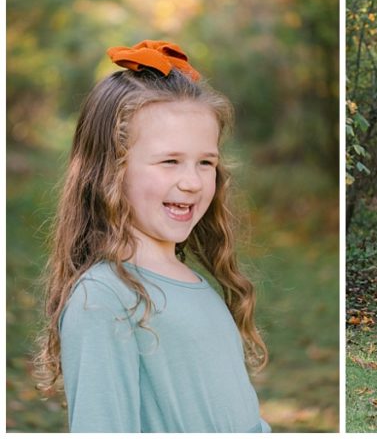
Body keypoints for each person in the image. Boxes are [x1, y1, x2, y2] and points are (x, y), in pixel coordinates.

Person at [33, 40, 270, 432]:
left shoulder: (193, 283)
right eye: (169, 161)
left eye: (205, 162)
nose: (192, 182)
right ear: (112, 169)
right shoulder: (106, 298)